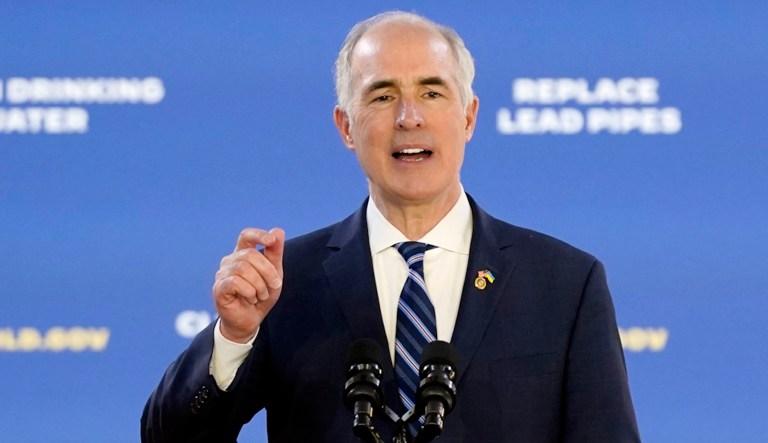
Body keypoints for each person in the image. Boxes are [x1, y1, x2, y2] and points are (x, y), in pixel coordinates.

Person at [141, 11, 640, 442]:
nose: (409, 116)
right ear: (346, 127)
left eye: (431, 91)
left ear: (468, 117)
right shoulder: (284, 282)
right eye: (382, 96)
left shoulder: (564, 283)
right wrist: (233, 337)